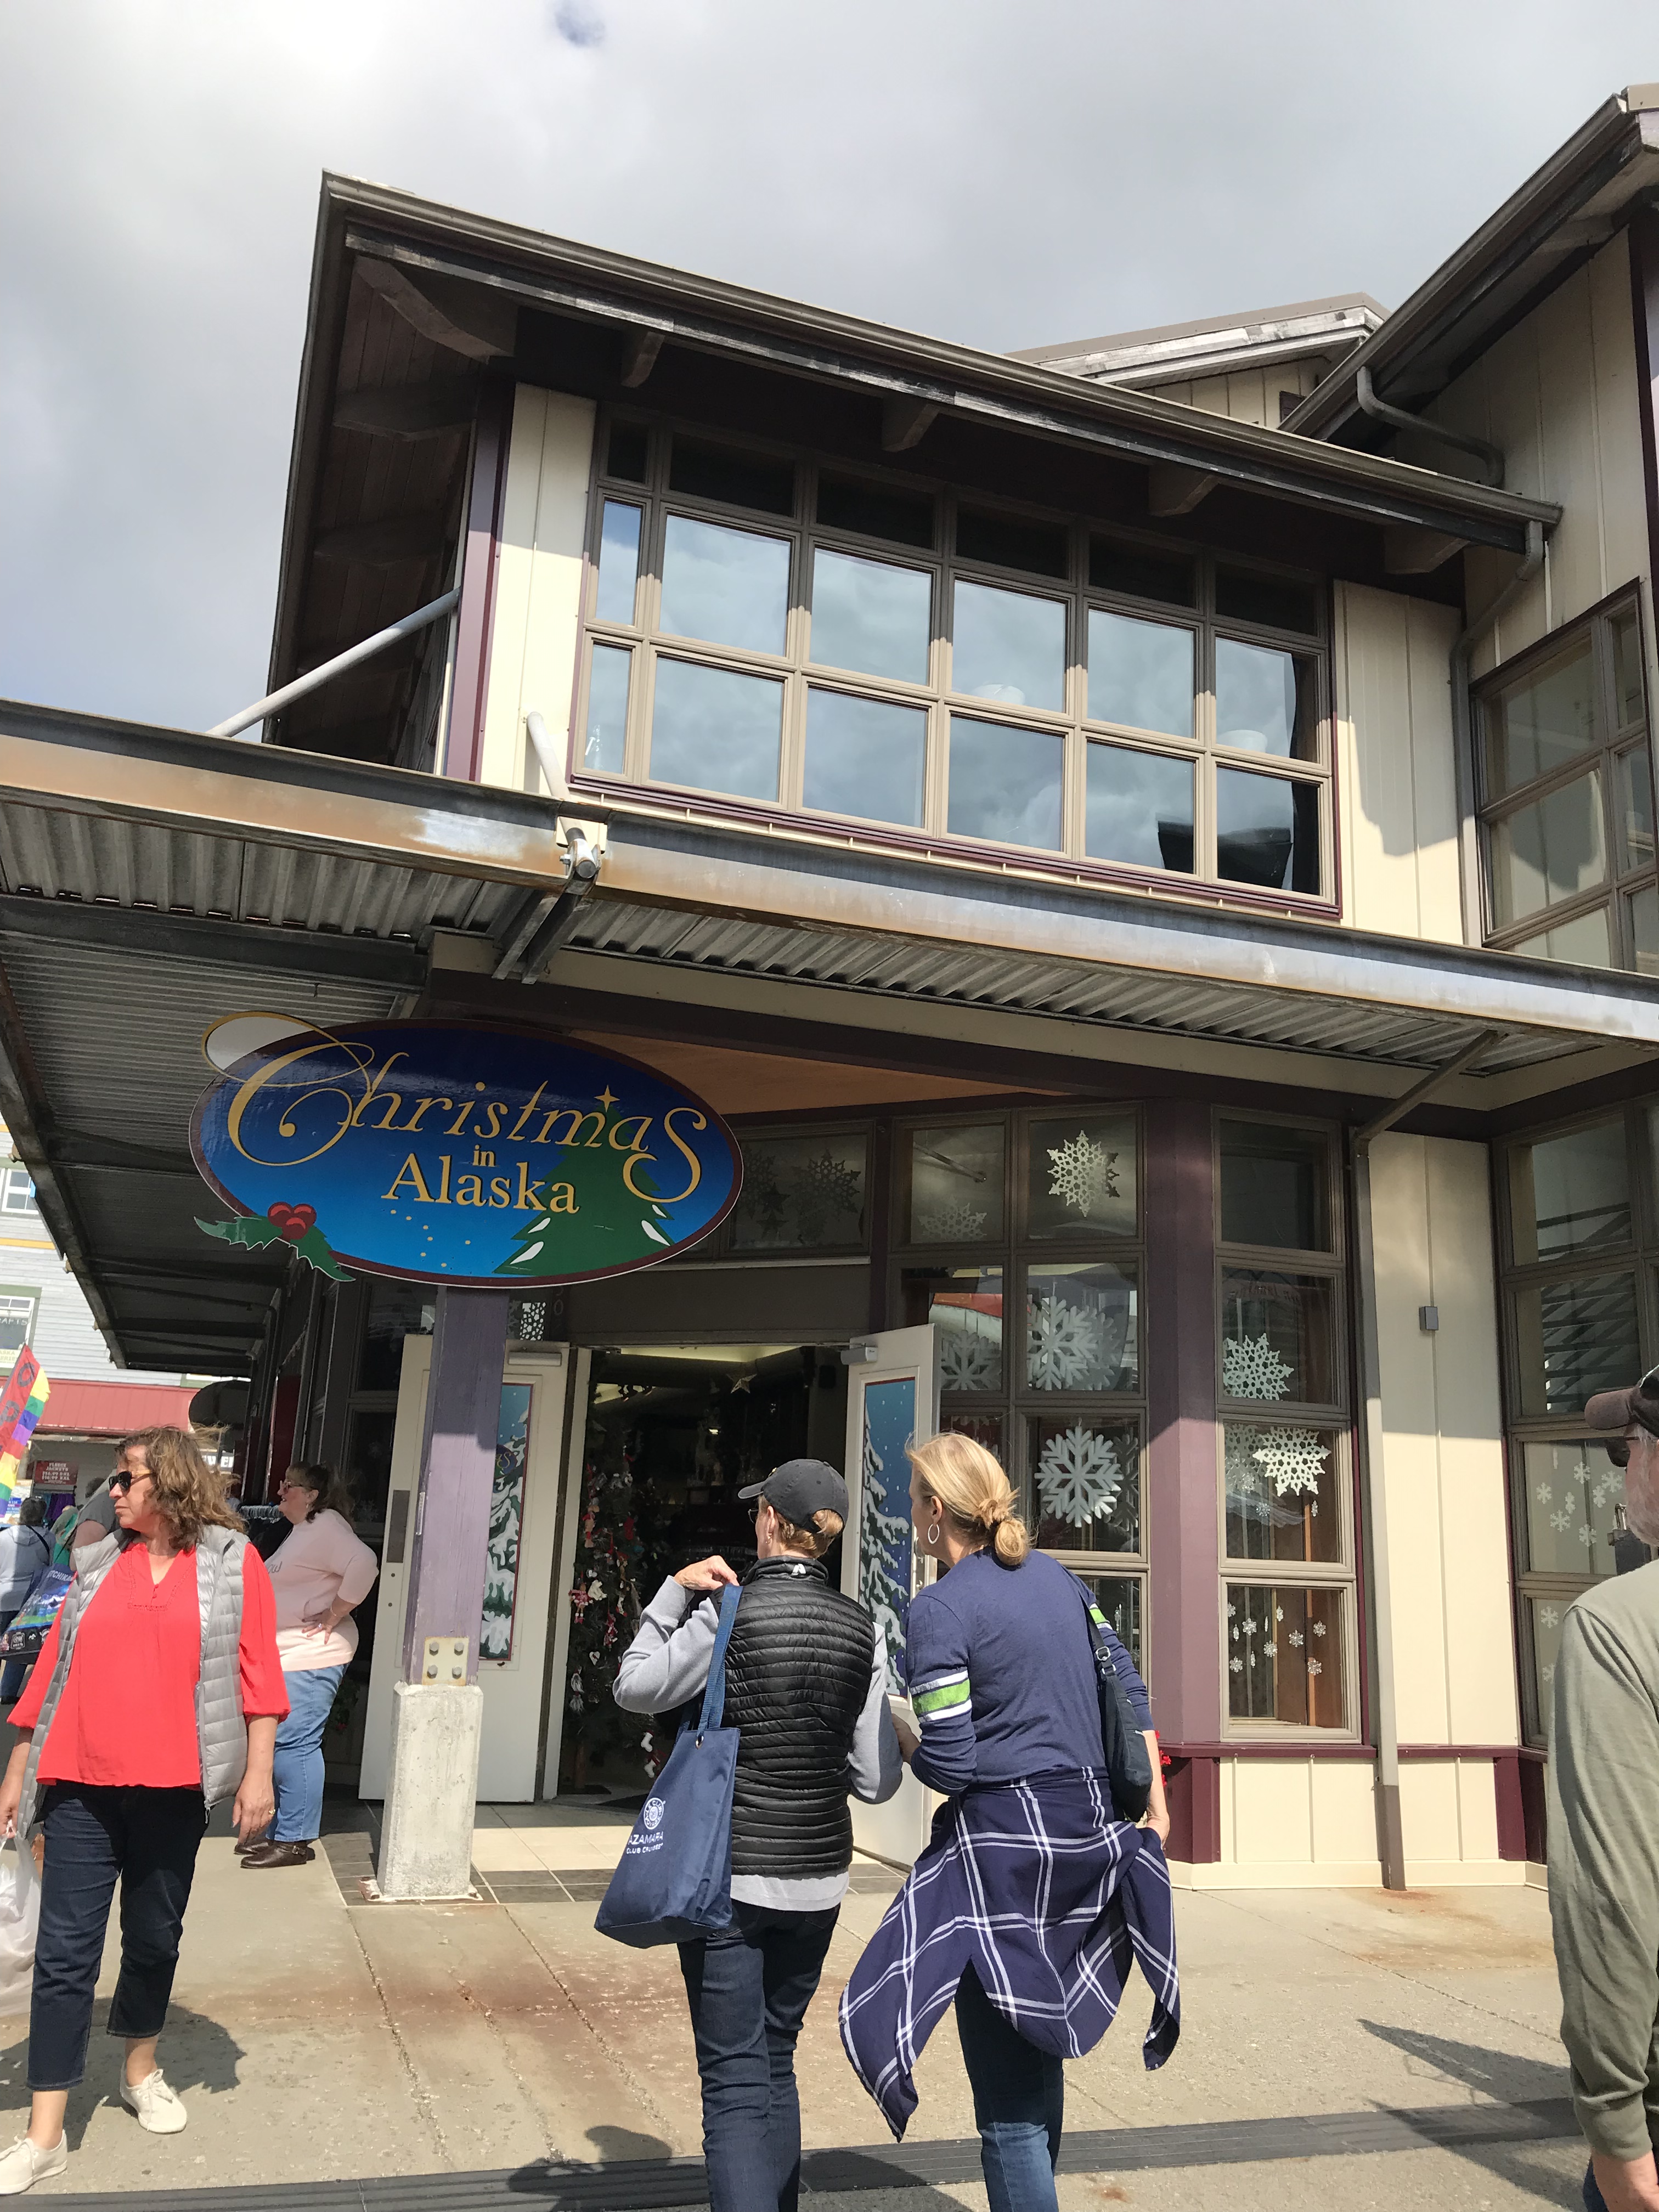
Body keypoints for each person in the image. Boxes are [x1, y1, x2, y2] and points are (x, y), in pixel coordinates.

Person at [840, 1433, 1179, 2212]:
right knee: (1036, 2052)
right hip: (1087, 1840)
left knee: (1009, 2110)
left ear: (936, 1510)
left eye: (914, 1499)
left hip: (1005, 1853)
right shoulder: (1063, 1581)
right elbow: (1128, 1694)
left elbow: (952, 1764)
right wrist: (1157, 1807)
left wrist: (902, 1738)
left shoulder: (940, 1609)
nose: (909, 1512)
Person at [0, 1426, 287, 2196]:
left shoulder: (233, 1563)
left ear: (172, 1482)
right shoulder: (96, 1562)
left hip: (174, 1787)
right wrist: (20, 1765)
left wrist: (259, 1775)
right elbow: (54, 1666)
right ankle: (45, 2134)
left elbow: (259, 1674)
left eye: (127, 1479)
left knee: (155, 1938)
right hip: (80, 1782)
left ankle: (139, 2069)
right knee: (65, 1956)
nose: (115, 1492)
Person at [612, 1458, 901, 2212]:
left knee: (735, 2083)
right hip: (819, 1881)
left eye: (756, 1512)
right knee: (776, 2059)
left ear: (770, 1519)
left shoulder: (727, 1613)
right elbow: (876, 1781)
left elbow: (634, 1686)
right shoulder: (863, 1629)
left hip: (728, 1878)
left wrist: (674, 1591)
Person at [1549, 1365, 1659, 2212]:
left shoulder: (1617, 1626)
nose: (1624, 1471)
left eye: (1627, 1448)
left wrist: (1616, 2123)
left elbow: (1612, 1898)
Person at [241, 1462, 377, 1871]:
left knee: (295, 1743)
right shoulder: (304, 1531)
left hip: (312, 1655)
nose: (281, 1492)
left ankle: (294, 1841)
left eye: (290, 1486)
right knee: (285, 1741)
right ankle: (284, 1831)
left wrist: (334, 1614)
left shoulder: (327, 1526)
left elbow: (365, 1563)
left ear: (313, 1495)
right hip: (291, 1653)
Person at [0, 1501, 49, 1703]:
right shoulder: (48, 1538)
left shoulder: (3, 1537)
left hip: (3, 1597)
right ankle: (8, 1692)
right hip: (29, 1600)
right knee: (18, 1646)